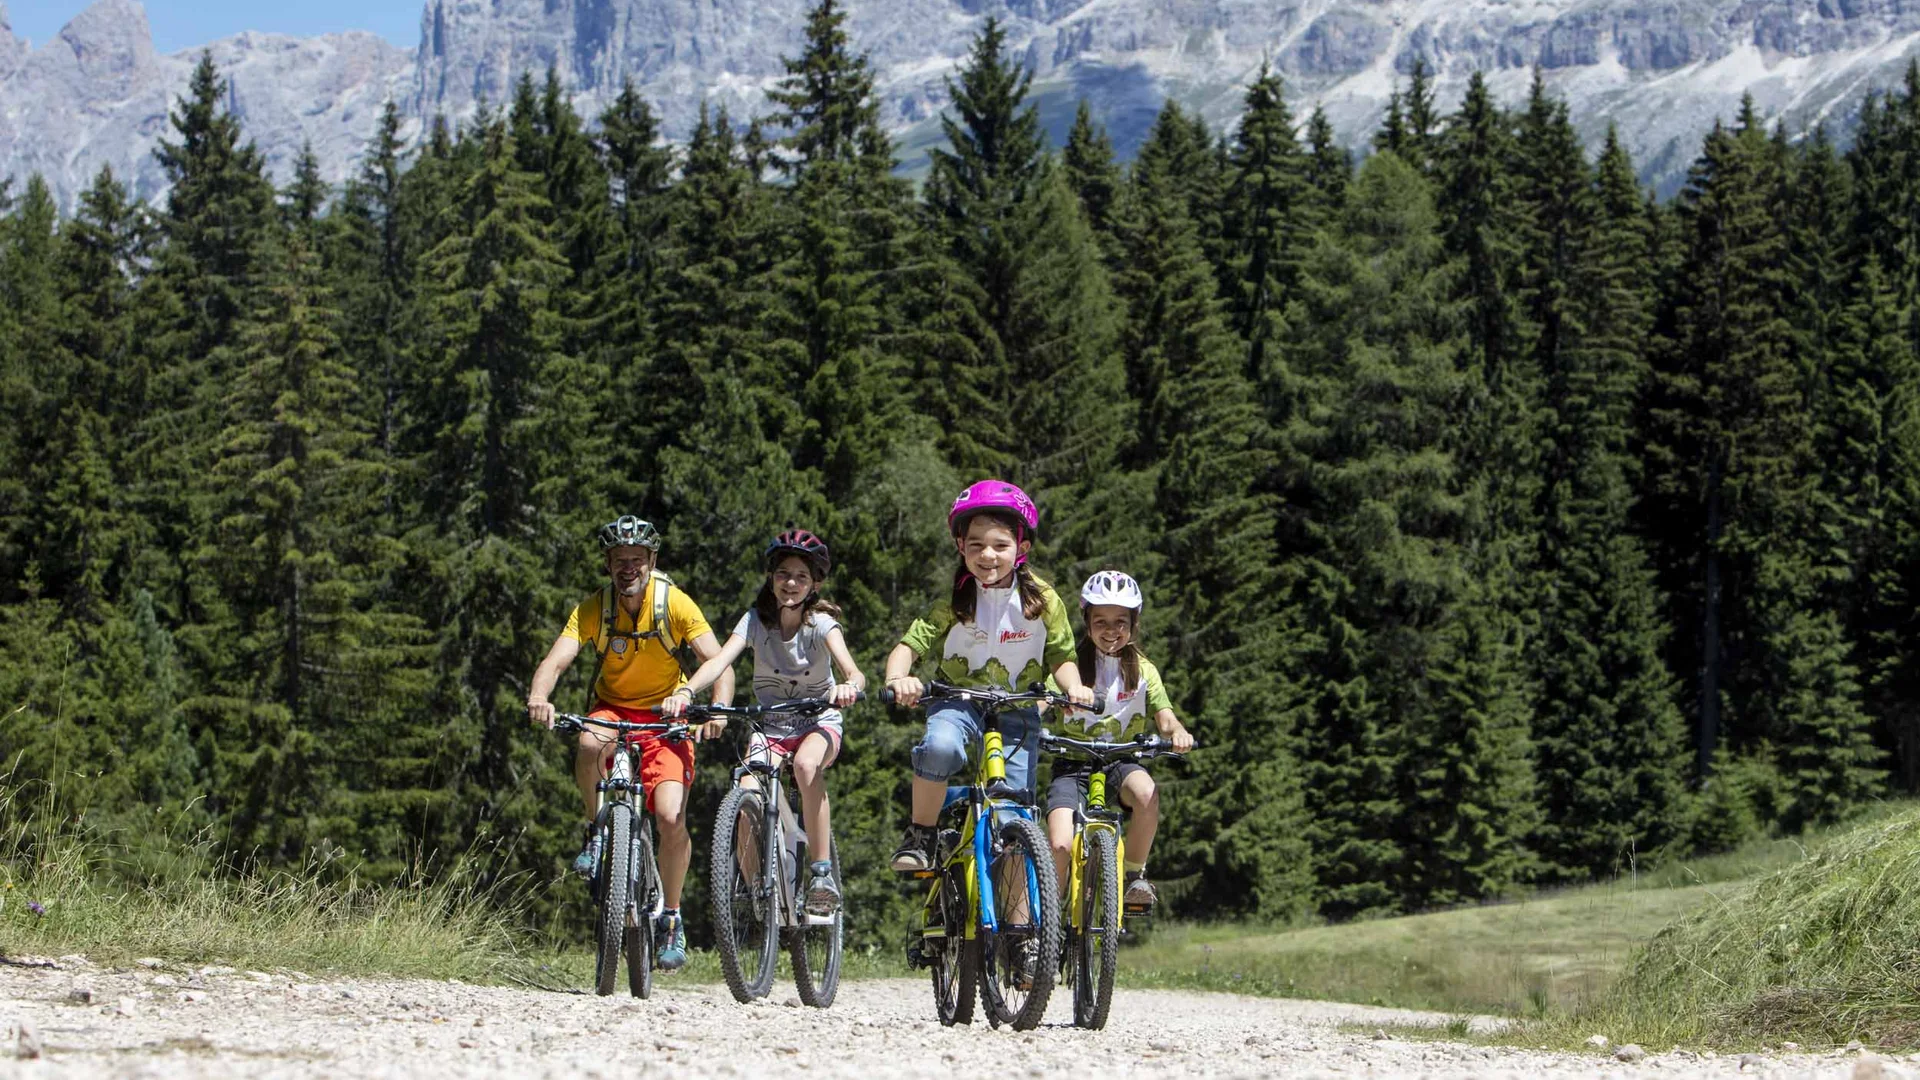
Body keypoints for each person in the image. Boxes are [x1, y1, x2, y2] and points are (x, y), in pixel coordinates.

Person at [526, 514, 733, 972]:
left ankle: (673, 918)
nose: (627, 568)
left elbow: (720, 662)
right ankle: (596, 832)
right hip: (613, 710)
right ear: (607, 563)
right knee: (587, 743)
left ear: (651, 561)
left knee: (670, 816)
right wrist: (540, 697)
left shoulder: (675, 604)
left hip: (666, 717)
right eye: (619, 560)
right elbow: (556, 661)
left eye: (636, 560)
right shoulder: (593, 608)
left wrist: (716, 708)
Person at [883, 480, 1096, 874]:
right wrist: (899, 678)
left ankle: (1019, 931)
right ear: (961, 546)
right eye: (976, 544)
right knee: (940, 747)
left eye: (1000, 545)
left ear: (1022, 549)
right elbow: (908, 647)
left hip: (1016, 707)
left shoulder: (1043, 601)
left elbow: (1062, 657)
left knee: (1014, 822)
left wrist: (1074, 687)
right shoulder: (954, 600)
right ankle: (921, 834)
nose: (988, 555)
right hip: (957, 701)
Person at [664, 529, 865, 915]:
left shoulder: (821, 623)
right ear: (771, 578)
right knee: (745, 794)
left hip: (817, 722)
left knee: (807, 767)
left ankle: (821, 873)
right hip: (769, 725)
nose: (790, 583)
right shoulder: (755, 621)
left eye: (801, 577)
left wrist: (848, 687)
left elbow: (854, 672)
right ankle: (755, 885)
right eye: (783, 574)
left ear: (815, 584)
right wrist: (687, 692)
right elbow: (719, 661)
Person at [1045, 570, 1193, 913]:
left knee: (1146, 793)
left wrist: (1178, 734)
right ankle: (1051, 915)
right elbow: (1043, 701)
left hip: (1121, 760)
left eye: (1121, 621)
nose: (1111, 631)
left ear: (1134, 624)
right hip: (1072, 763)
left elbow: (1165, 717)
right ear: (1086, 621)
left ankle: (1133, 876)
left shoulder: (1143, 670)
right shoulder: (1069, 667)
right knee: (1060, 844)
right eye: (1101, 621)